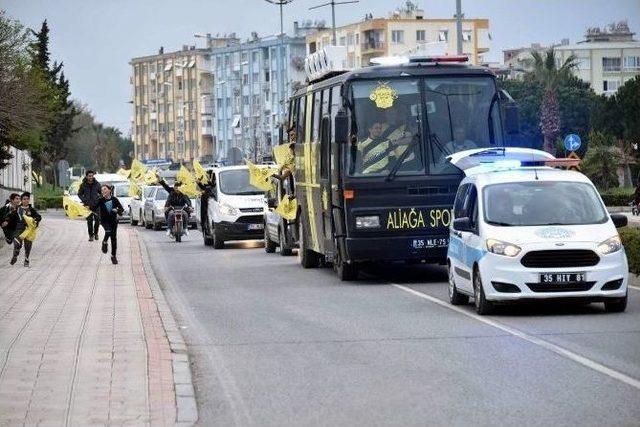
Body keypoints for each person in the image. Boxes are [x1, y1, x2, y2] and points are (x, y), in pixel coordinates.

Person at [6, 192, 41, 267]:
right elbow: (10, 216)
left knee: (28, 246)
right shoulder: (18, 209)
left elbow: (38, 217)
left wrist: (35, 219)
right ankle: (15, 255)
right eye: (24, 199)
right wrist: (6, 220)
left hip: (29, 230)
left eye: (27, 199)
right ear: (21, 200)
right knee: (17, 243)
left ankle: (26, 259)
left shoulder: (31, 209)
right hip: (19, 229)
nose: (26, 200)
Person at [78, 170, 101, 241]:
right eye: (89, 176)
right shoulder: (83, 185)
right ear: (86, 176)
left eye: (92, 176)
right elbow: (79, 194)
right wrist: (84, 200)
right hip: (87, 206)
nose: (91, 177)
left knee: (97, 220)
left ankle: (96, 233)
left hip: (96, 206)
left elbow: (101, 193)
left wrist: (98, 199)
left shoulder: (97, 184)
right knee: (89, 221)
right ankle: (91, 236)